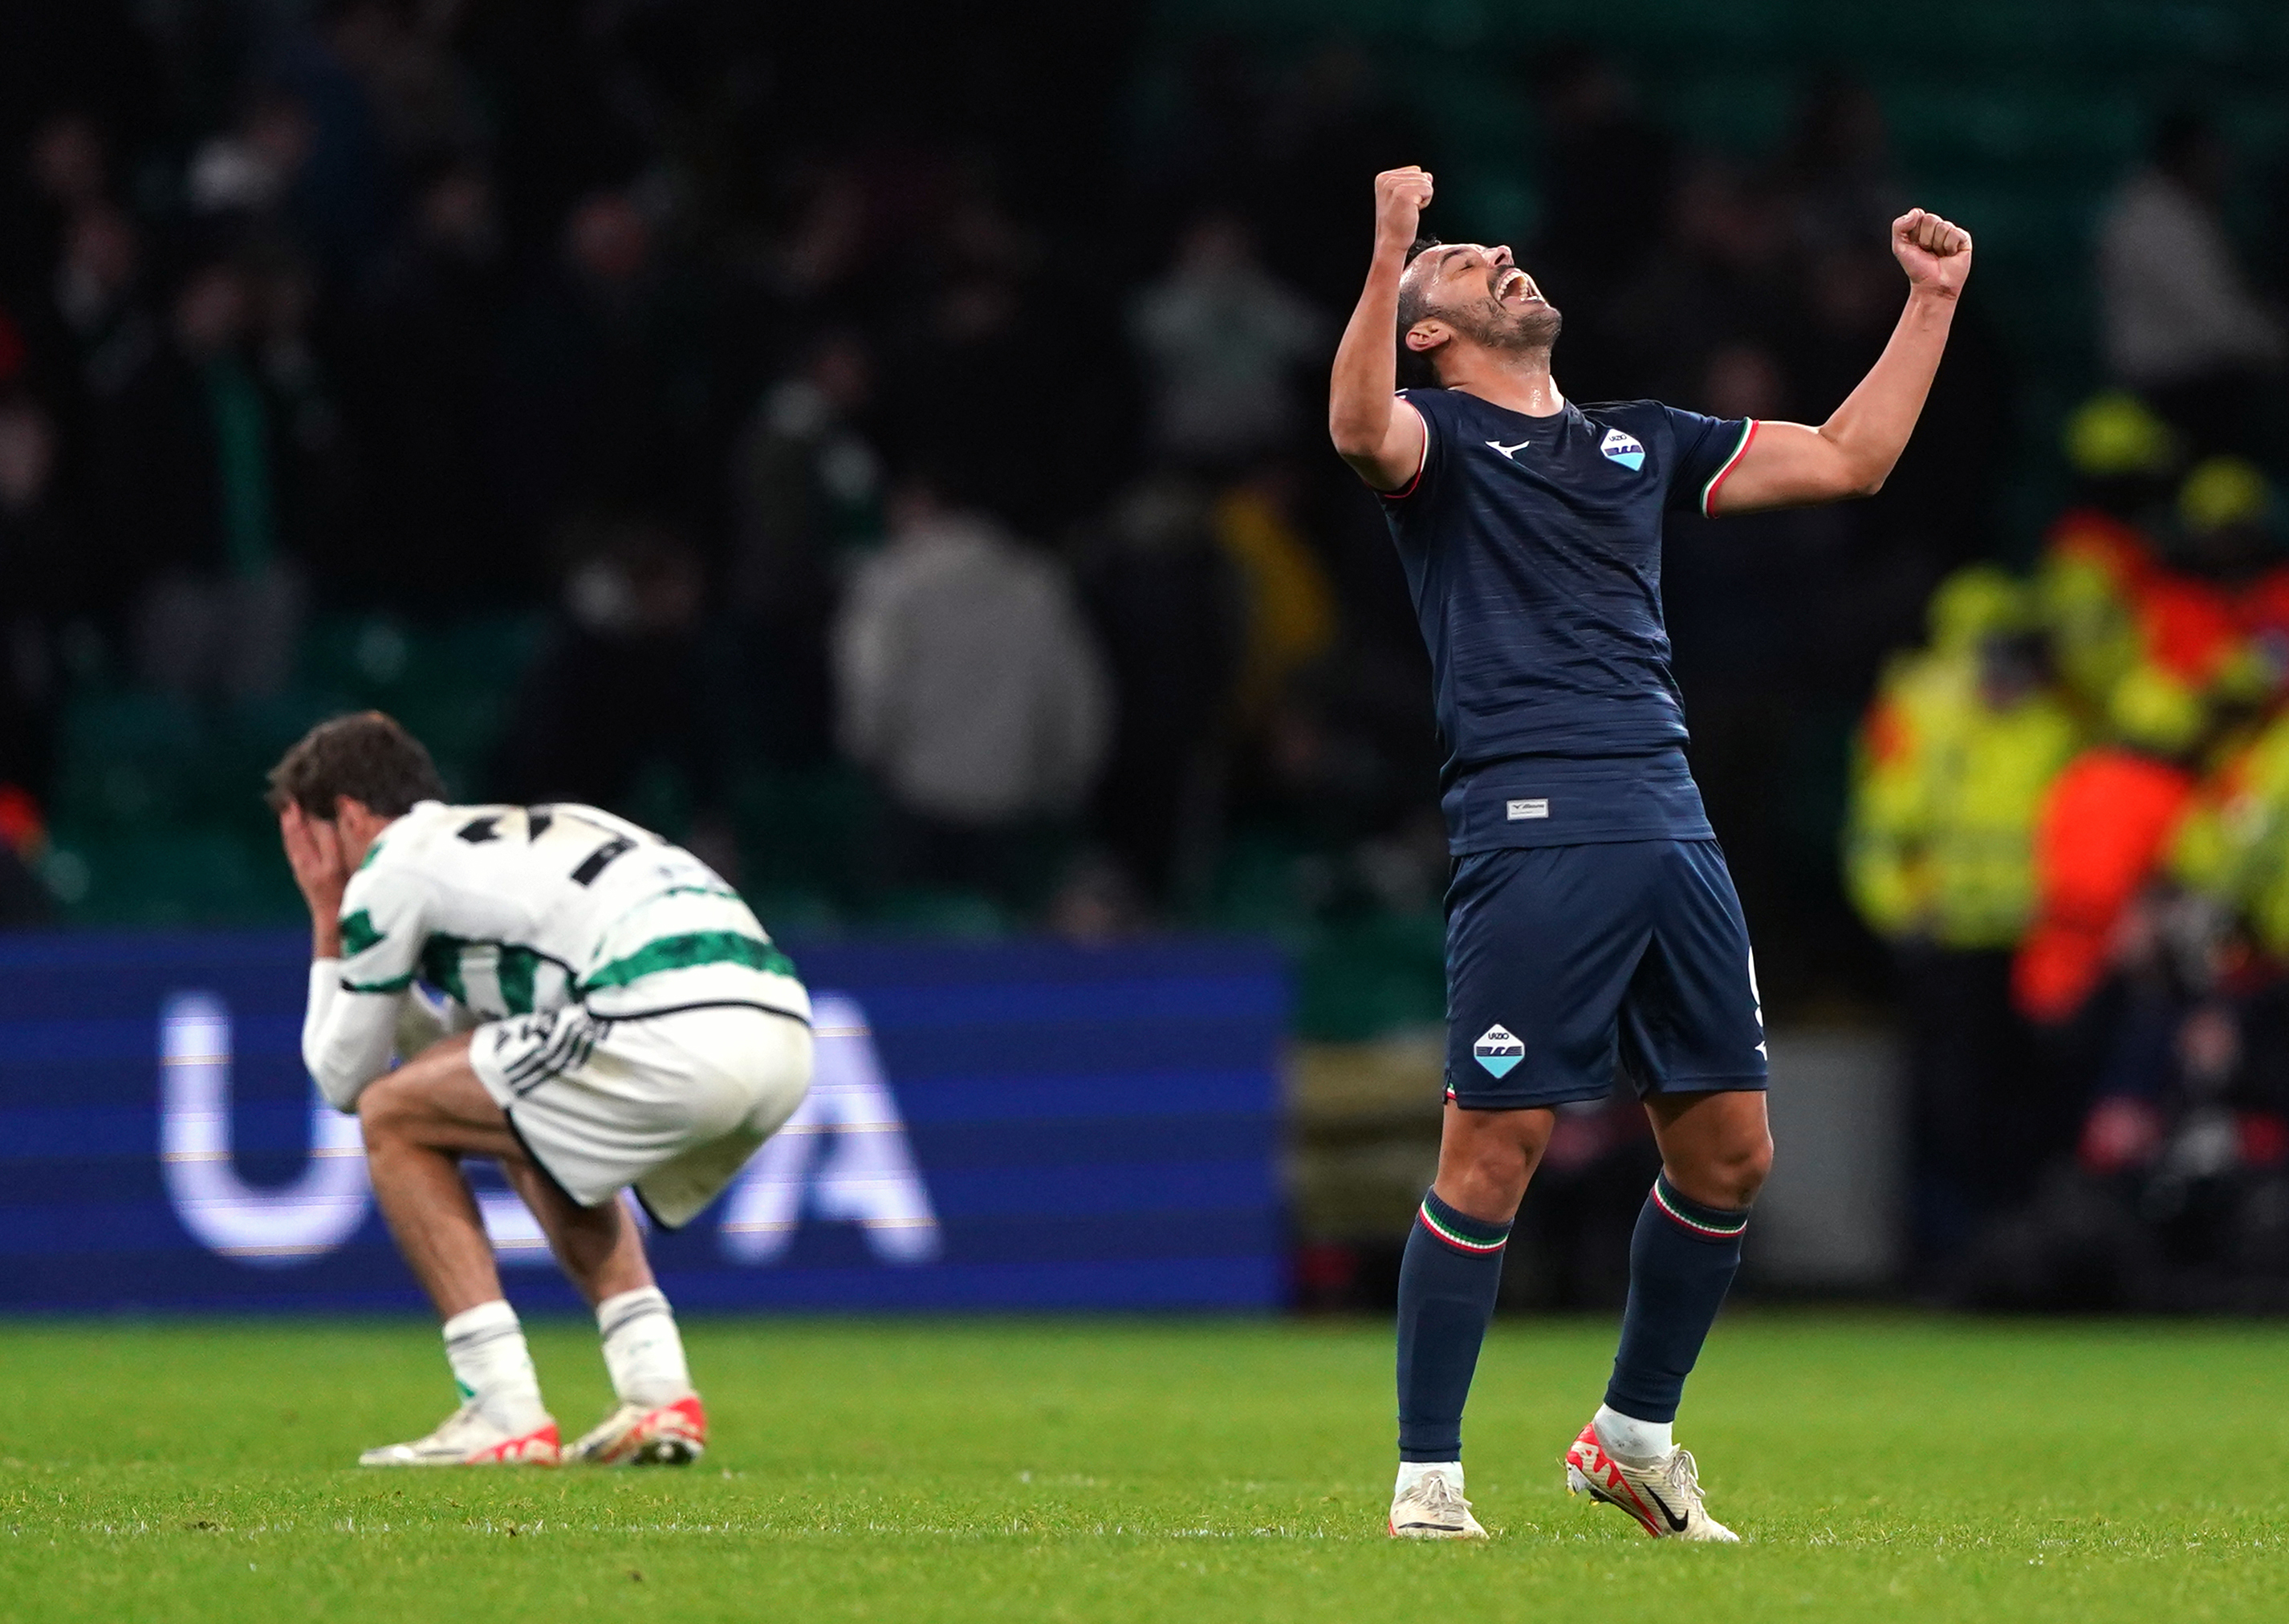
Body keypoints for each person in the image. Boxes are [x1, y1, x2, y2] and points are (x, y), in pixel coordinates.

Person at [1327, 165, 1971, 1541]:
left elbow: (1851, 458)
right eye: (1458, 260)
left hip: (1668, 814)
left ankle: (1629, 1433)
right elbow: (1353, 425)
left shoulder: (1641, 440)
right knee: (1492, 1145)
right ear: (1426, 328)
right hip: (1531, 818)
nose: (1494, 250)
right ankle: (1427, 1475)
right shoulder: (1434, 439)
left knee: (1731, 1152)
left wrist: (1930, 301)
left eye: (1475, 244)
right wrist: (1388, 252)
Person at [270, 712, 813, 1468]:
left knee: (392, 1115)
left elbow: (344, 1079)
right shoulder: (516, 840)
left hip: (668, 1014)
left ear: (351, 817)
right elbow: (464, 1062)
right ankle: (658, 1392)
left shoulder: (391, 865)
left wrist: (330, 917)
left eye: (307, 839)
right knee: (523, 1114)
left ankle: (500, 1406)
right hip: (783, 1025)